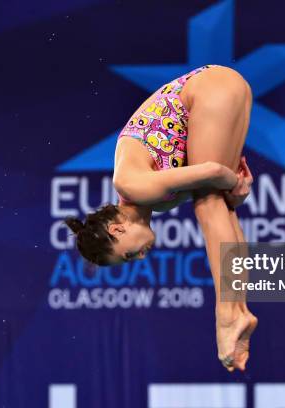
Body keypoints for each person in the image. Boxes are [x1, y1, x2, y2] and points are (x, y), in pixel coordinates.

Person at [65, 64, 257, 372]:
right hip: (226, 89)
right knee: (221, 206)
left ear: (117, 228)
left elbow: (212, 173)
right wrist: (236, 192)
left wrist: (233, 184)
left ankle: (227, 316)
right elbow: (223, 180)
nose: (139, 258)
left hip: (211, 87)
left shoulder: (130, 184)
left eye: (127, 255)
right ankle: (239, 309)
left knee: (207, 202)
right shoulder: (158, 203)